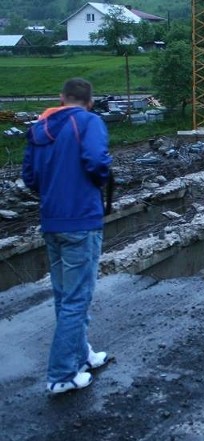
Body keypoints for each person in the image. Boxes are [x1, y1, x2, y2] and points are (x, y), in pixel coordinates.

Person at [22, 78, 113, 394]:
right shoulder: (90, 122)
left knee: (66, 296)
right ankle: (62, 374)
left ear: (61, 98)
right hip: (81, 221)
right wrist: (94, 183)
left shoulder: (40, 127)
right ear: (89, 101)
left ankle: (81, 353)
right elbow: (97, 162)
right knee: (77, 297)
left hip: (52, 221)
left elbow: (29, 177)